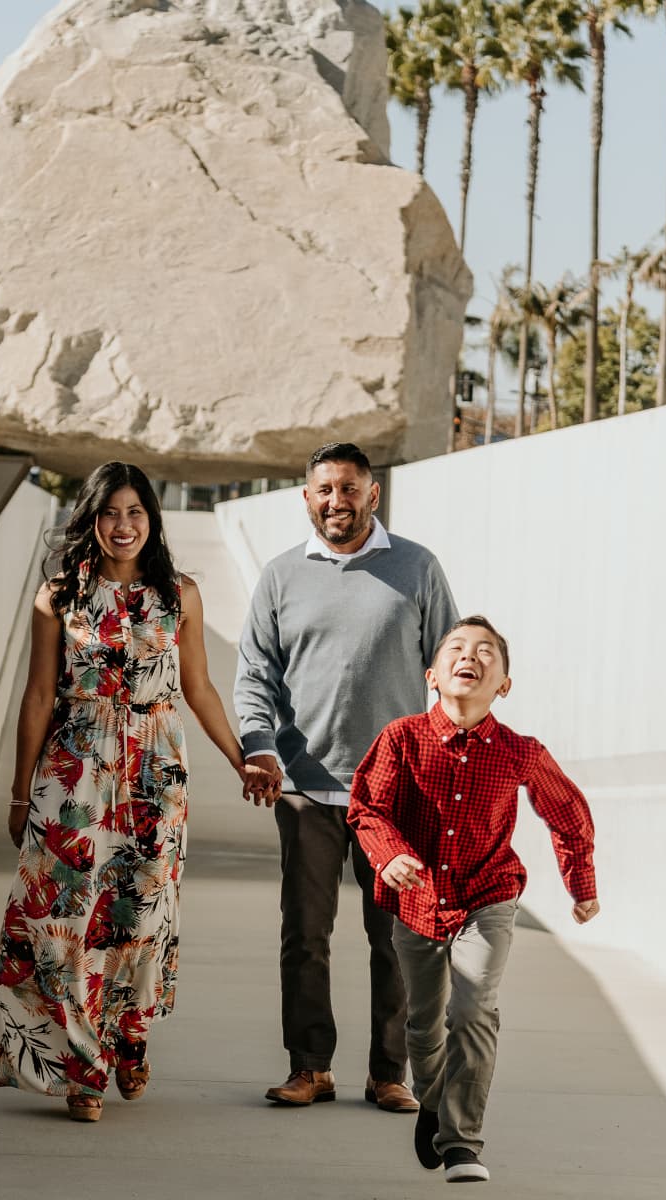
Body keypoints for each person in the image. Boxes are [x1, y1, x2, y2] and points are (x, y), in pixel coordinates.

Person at [0, 461, 277, 1121]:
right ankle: (84, 1069)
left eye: (135, 513)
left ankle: (130, 1032)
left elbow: (198, 688)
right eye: (111, 512)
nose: (123, 526)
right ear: (91, 520)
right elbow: (37, 696)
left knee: (140, 917)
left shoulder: (179, 594)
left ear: (152, 520)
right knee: (65, 919)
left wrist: (242, 763)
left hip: (154, 772)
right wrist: (17, 792)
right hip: (74, 771)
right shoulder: (58, 596)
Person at [234, 441, 458, 1111]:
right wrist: (258, 745)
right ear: (307, 498)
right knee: (305, 935)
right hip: (304, 788)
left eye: (350, 489)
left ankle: (389, 1073)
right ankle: (310, 1067)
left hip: (394, 794)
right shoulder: (280, 576)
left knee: (394, 939)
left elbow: (448, 667)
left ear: (372, 495)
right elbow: (254, 674)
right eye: (324, 490)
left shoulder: (417, 568)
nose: (337, 501)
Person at [348, 616, 599, 1183]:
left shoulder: (520, 752)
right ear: (433, 675)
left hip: (488, 893)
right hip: (416, 900)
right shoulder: (401, 738)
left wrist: (581, 886)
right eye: (458, 648)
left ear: (503, 684)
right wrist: (388, 854)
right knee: (423, 1026)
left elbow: (569, 813)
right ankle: (433, 1097)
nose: (472, 656)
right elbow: (367, 808)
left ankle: (462, 1142)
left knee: (474, 1007)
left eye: (487, 652)